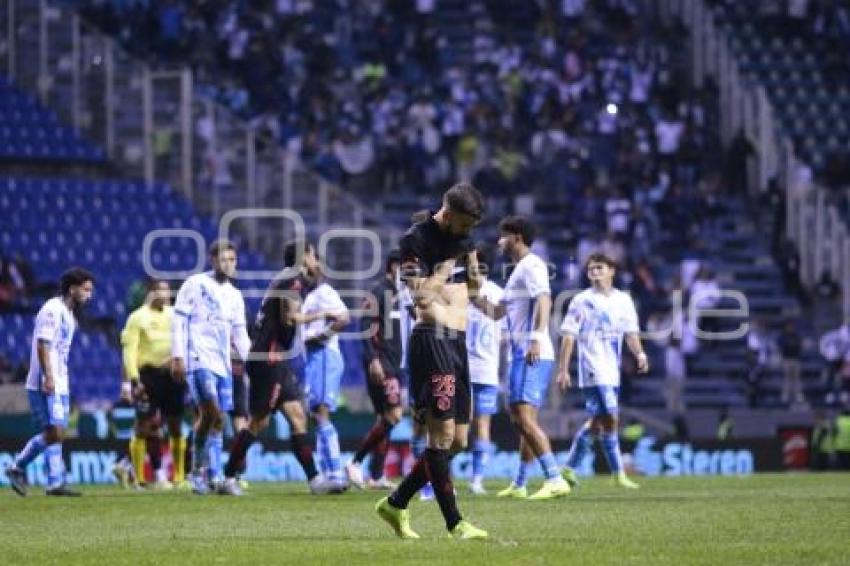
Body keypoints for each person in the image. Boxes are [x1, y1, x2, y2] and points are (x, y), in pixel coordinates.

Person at [375, 182, 488, 540]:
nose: (467, 232)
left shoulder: (463, 238)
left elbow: (474, 291)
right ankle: (455, 523)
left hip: (458, 342)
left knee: (459, 441)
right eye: (464, 225)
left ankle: (396, 503)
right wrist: (449, 262)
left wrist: (471, 263)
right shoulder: (415, 240)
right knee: (442, 436)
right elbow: (421, 297)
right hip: (432, 340)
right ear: (449, 214)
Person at [223, 240, 342, 495]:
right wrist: (322, 315)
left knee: (298, 416)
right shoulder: (292, 280)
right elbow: (290, 317)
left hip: (278, 359)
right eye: (313, 255)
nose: (316, 260)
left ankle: (315, 480)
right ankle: (228, 477)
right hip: (268, 359)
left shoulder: (288, 279)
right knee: (259, 422)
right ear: (304, 257)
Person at [474, 216, 570, 500]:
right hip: (522, 352)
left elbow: (545, 300)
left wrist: (536, 338)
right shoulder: (518, 271)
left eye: (503, 236)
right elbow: (496, 312)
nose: (499, 241)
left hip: (531, 352)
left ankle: (554, 478)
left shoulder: (532, 265)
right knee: (523, 419)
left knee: (522, 417)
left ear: (517, 237)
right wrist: (471, 295)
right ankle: (520, 483)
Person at [557, 253, 648, 490]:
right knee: (611, 416)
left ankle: (569, 467)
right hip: (592, 367)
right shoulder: (581, 300)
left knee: (599, 422)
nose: (594, 272)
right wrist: (563, 369)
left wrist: (640, 354)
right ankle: (618, 474)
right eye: (591, 269)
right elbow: (569, 336)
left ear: (612, 271)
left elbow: (631, 333)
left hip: (612, 370)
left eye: (599, 268)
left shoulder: (623, 300)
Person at [5, 267, 95, 497]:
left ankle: (55, 483)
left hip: (60, 380)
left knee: (57, 431)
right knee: (54, 432)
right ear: (72, 289)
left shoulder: (69, 315)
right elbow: (42, 344)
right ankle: (17, 466)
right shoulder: (52, 309)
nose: (89, 295)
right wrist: (49, 376)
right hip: (45, 380)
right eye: (86, 290)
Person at [171, 240, 251, 495]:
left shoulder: (235, 295)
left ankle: (214, 477)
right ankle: (196, 473)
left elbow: (240, 335)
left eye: (233, 259)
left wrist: (254, 364)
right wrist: (177, 356)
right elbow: (178, 321)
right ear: (213, 260)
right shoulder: (195, 284)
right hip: (197, 358)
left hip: (223, 364)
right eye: (224, 259)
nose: (229, 264)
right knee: (211, 413)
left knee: (218, 420)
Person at [115, 279, 186, 490]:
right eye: (161, 290)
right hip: (148, 376)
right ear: (151, 293)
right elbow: (129, 351)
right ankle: (139, 478)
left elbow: (185, 342)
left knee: (175, 425)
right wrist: (133, 380)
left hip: (173, 377)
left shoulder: (175, 315)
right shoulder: (137, 317)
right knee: (143, 425)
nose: (165, 294)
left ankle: (179, 478)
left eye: (167, 290)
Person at [346, 250, 405, 490]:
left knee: (385, 418)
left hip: (394, 363)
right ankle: (355, 462)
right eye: (405, 267)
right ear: (393, 266)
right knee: (395, 414)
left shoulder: (401, 295)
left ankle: (376, 475)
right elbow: (366, 326)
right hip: (381, 362)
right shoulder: (378, 291)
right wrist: (373, 359)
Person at [302, 255, 352, 488]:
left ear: (320, 267)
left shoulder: (326, 292)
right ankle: (328, 472)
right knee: (316, 414)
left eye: (310, 266)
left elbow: (344, 318)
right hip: (314, 358)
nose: (306, 271)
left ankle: (336, 474)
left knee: (321, 412)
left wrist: (321, 337)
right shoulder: (311, 296)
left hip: (324, 355)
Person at [464, 245, 505, 495]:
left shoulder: (497, 294)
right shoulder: (459, 292)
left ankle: (477, 480)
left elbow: (506, 334)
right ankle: (441, 480)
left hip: (487, 370)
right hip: (460, 369)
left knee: (482, 424)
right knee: (458, 427)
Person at [778, 320, 804, 406]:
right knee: (787, 378)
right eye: (789, 326)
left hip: (796, 359)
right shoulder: (783, 336)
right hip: (786, 359)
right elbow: (781, 346)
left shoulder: (796, 336)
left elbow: (800, 346)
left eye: (792, 326)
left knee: (797, 378)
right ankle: (785, 396)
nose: (791, 328)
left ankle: (798, 395)